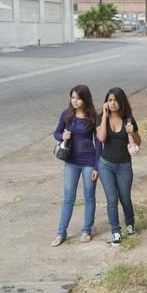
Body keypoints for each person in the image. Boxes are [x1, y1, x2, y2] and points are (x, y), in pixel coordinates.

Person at [52, 85, 101, 245]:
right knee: (68, 197)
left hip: (88, 161)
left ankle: (86, 230)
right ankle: (61, 233)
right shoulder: (66, 115)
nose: (75, 101)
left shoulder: (92, 116)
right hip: (71, 161)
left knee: (89, 196)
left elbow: (98, 142)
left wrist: (97, 166)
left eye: (78, 98)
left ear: (85, 99)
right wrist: (63, 135)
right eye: (72, 97)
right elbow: (56, 133)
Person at [95, 86, 141, 245]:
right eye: (110, 100)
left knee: (125, 198)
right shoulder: (101, 118)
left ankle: (130, 223)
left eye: (115, 100)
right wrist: (104, 116)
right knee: (111, 199)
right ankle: (115, 231)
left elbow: (139, 142)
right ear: (106, 103)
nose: (112, 103)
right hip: (105, 164)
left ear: (121, 102)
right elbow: (101, 138)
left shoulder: (129, 119)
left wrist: (131, 132)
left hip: (124, 166)